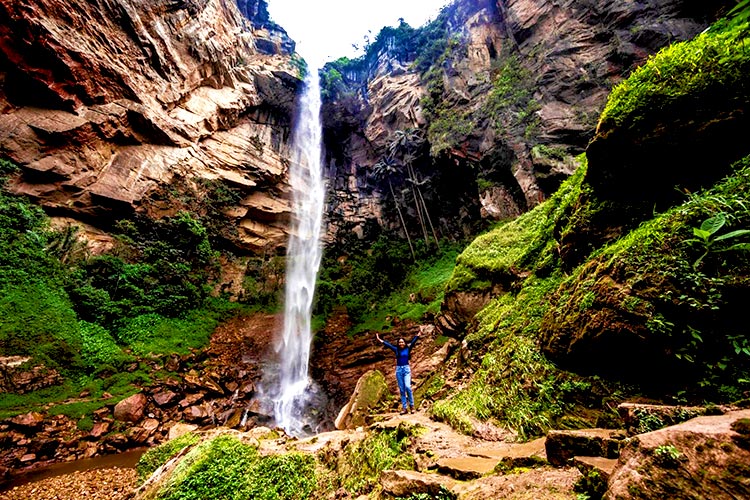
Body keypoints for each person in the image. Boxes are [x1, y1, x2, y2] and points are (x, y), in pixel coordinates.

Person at [376, 331, 420, 414]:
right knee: (402, 390)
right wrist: (379, 339)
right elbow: (388, 345)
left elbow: (414, 341)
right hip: (399, 370)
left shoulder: (408, 349)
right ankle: (404, 408)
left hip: (406, 369)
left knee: (408, 387)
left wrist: (419, 333)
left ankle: (412, 406)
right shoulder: (396, 350)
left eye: (402, 342)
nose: (401, 343)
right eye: (399, 342)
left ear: (404, 343)